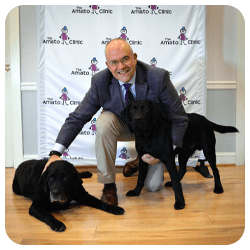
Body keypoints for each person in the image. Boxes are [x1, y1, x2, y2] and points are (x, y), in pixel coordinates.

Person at [45, 38, 189, 206]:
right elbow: (78, 117)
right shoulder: (100, 82)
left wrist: (165, 152)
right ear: (108, 65)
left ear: (134, 57)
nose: (121, 67)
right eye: (114, 62)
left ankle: (139, 159)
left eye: (125, 59)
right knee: (104, 122)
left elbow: (179, 118)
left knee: (153, 186)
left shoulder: (158, 78)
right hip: (123, 126)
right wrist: (56, 153)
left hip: (153, 134)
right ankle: (108, 185)